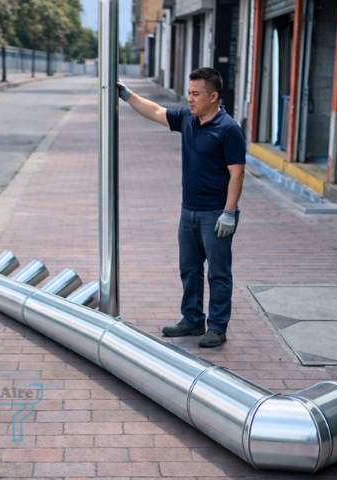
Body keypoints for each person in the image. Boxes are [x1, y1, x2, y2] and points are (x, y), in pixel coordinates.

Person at [116, 68, 246, 348]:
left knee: (218, 273)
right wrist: (127, 95)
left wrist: (229, 212)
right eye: (189, 93)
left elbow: (237, 174)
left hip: (216, 213)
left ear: (213, 96)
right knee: (189, 269)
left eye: (196, 94)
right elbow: (155, 111)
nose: (189, 98)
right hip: (189, 211)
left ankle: (217, 327)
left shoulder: (228, 129)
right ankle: (193, 319)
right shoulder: (188, 119)